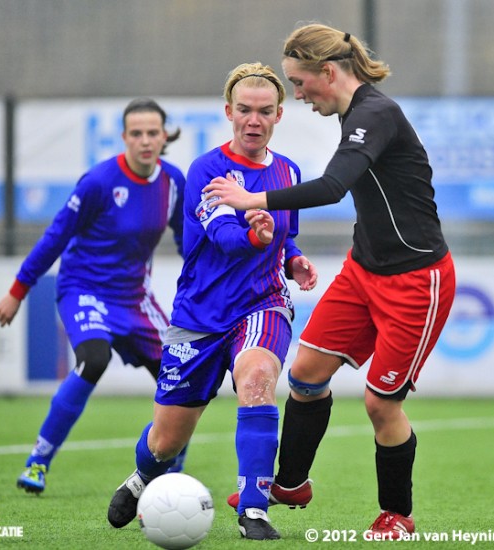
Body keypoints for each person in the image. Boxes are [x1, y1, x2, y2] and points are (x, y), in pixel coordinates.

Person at [205, 23, 456, 540]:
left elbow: (334, 186)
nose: (297, 95)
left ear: (328, 72)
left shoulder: (374, 113)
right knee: (305, 372)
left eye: (299, 83)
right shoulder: (355, 116)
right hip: (364, 272)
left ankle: (396, 515)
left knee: (381, 403)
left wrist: (253, 199)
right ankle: (291, 483)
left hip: (416, 280)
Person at [106, 62, 318, 540]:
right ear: (229, 111)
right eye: (244, 110)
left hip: (261, 305)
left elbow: (287, 238)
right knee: (165, 442)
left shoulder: (289, 172)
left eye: (265, 111)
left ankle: (255, 509)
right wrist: (256, 234)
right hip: (200, 315)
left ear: (279, 115)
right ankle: (143, 477)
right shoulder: (207, 168)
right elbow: (224, 235)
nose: (253, 120)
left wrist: (293, 260)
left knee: (258, 377)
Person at [0, 98, 188, 494]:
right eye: (137, 133)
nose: (145, 141)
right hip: (84, 290)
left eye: (153, 133)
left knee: (181, 375)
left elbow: (187, 242)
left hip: (136, 299)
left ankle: (170, 476)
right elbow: (56, 237)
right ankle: (38, 462)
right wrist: (18, 290)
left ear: (164, 136)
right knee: (94, 358)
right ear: (124, 138)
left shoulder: (173, 183)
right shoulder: (99, 182)